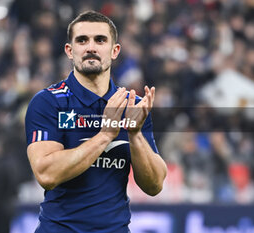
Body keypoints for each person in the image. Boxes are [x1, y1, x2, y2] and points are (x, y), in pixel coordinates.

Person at [25, 10, 167, 233]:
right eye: (82, 40)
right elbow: (46, 174)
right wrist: (105, 135)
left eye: (100, 40)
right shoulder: (48, 102)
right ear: (70, 51)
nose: (91, 47)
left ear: (114, 51)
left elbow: (155, 185)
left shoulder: (131, 105)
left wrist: (135, 133)